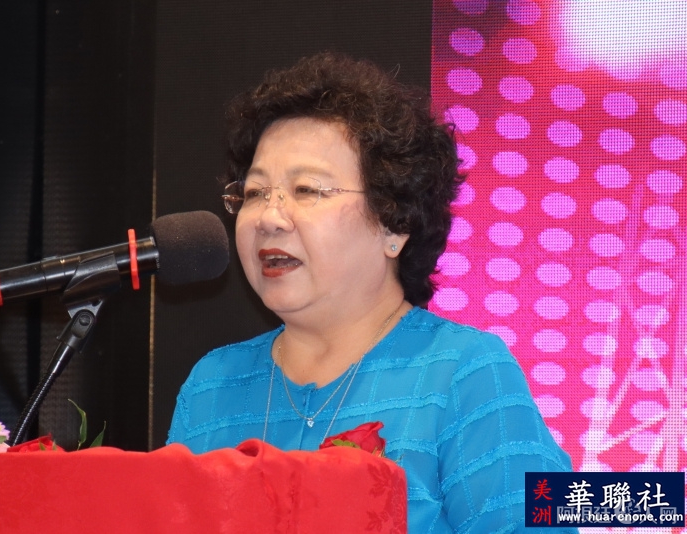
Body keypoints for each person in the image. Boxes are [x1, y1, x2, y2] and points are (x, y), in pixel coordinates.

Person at [167, 51, 575, 533]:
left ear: (393, 225)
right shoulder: (213, 385)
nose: (269, 217)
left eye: (306, 190)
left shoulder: (463, 372)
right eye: (255, 193)